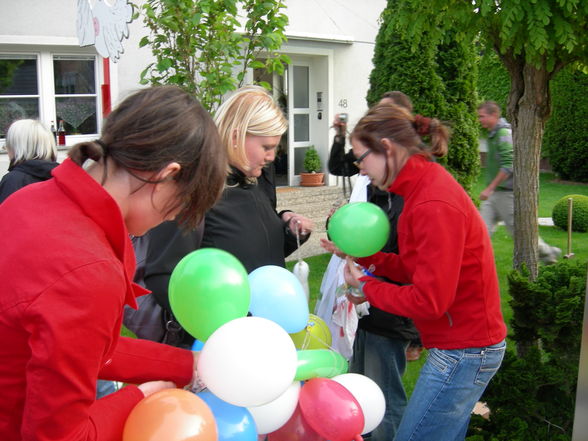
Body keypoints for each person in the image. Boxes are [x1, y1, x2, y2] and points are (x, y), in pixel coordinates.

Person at [0, 85, 227, 441]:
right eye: (181, 204)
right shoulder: (89, 269)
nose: (172, 218)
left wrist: (188, 366)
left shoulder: (27, 199)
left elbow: (91, 349)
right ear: (166, 175)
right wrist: (142, 396)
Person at [323, 102, 507, 441]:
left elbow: (430, 300)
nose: (361, 171)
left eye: (362, 159)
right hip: (462, 346)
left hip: (465, 349)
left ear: (388, 149)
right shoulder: (420, 189)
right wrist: (366, 259)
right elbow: (414, 267)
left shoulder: (430, 202)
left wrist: (367, 286)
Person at [317, 91, 421, 440]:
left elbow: (415, 271)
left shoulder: (409, 198)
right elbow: (340, 168)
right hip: (367, 308)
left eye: (364, 157)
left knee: (384, 399)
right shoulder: (380, 189)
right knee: (359, 390)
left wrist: (414, 331)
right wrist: (348, 246)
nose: (359, 167)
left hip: (389, 315)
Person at [201, 85, 313, 272]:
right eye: (266, 147)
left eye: (275, 148)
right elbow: (166, 275)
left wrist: (290, 231)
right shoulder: (198, 194)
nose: (271, 157)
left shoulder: (256, 182)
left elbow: (262, 252)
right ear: (236, 137)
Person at [477, 101, 561, 264]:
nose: (479, 120)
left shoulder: (503, 134)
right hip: (494, 195)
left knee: (519, 233)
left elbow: (509, 164)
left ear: (494, 115)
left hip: (506, 194)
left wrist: (490, 188)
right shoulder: (493, 133)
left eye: (482, 116)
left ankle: (547, 253)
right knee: (481, 230)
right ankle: (477, 265)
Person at [0, 119, 58, 204]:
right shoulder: (62, 177)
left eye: (8, 145)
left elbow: (6, 215)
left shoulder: (13, 180)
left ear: (17, 148)